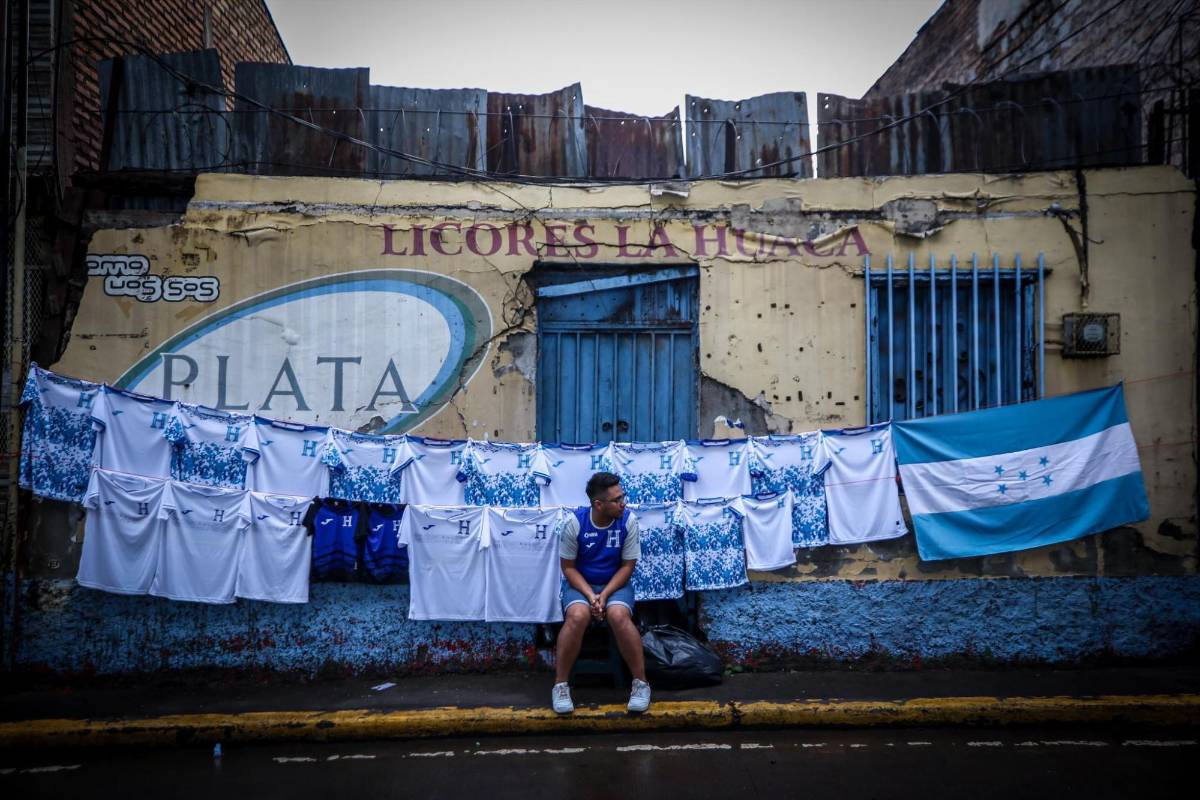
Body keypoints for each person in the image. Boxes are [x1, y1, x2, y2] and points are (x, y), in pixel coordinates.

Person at [551, 471, 651, 715]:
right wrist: (590, 595)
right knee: (577, 616)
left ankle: (641, 683)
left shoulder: (628, 521)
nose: (622, 503)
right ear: (598, 504)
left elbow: (628, 566)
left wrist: (604, 596)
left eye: (622, 497)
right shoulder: (575, 524)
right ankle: (560, 686)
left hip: (615, 585)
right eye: (616, 499)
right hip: (581, 584)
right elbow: (568, 568)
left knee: (618, 615)